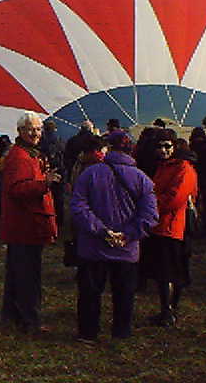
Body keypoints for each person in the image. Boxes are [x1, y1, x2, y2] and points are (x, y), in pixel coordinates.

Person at [70, 130, 158, 343]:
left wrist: (101, 230)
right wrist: (128, 235)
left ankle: (88, 333)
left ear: (108, 148)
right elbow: (150, 215)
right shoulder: (142, 179)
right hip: (126, 249)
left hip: (93, 246)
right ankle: (121, 331)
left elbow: (78, 206)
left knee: (91, 293)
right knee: (124, 293)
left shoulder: (89, 174)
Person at [0, 112, 60, 336]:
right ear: (20, 132)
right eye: (31, 130)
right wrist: (45, 184)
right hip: (25, 225)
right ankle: (29, 319)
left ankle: (13, 315)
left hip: (24, 224)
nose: (35, 134)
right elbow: (17, 189)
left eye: (38, 130)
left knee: (17, 273)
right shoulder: (20, 157)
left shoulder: (28, 154)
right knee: (28, 276)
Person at [141, 129, 198, 327]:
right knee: (163, 271)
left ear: (175, 147)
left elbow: (175, 198)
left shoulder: (184, 168)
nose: (163, 150)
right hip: (161, 226)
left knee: (170, 271)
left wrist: (150, 206)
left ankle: (169, 311)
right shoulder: (163, 167)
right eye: (159, 146)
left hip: (174, 227)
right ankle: (167, 309)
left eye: (167, 146)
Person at [39, 119, 66, 233]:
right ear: (55, 128)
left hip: (44, 171)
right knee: (58, 197)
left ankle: (46, 220)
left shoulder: (41, 141)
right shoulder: (60, 140)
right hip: (58, 171)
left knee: (44, 197)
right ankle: (59, 220)